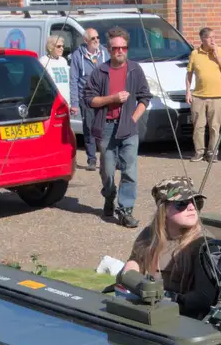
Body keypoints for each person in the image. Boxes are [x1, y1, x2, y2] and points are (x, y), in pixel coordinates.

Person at [82, 26, 150, 229]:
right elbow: (89, 99)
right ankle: (109, 196)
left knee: (130, 170)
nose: (120, 51)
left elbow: (145, 98)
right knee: (108, 171)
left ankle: (126, 210)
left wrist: (133, 118)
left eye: (123, 48)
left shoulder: (135, 70)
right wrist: (112, 98)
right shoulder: (100, 72)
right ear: (109, 50)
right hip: (107, 128)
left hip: (128, 129)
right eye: (115, 48)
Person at [122, 176, 215, 319]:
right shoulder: (150, 235)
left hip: (185, 320)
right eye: (182, 203)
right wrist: (131, 274)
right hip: (148, 314)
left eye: (197, 202)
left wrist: (163, 299)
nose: (191, 207)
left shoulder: (204, 244)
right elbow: (133, 263)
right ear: (163, 209)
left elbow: (202, 299)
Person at [185, 27, 221, 163]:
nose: (213, 40)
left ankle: (212, 152)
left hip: (217, 95)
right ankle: (199, 152)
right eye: (210, 37)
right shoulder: (195, 54)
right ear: (203, 39)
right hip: (199, 96)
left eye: (214, 37)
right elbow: (189, 74)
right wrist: (188, 91)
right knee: (198, 126)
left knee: (214, 126)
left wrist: (217, 55)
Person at [67, 27, 109, 171]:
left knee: (105, 128)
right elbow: (73, 80)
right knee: (90, 128)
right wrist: (74, 103)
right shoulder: (77, 56)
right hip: (86, 97)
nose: (96, 40)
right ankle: (92, 159)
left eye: (98, 37)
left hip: (104, 96)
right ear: (86, 41)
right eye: (93, 38)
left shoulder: (104, 53)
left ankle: (107, 159)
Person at [43, 36, 72, 106]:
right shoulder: (43, 61)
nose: (62, 48)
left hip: (66, 103)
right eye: (58, 46)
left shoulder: (63, 61)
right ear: (50, 48)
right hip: (52, 103)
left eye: (63, 46)